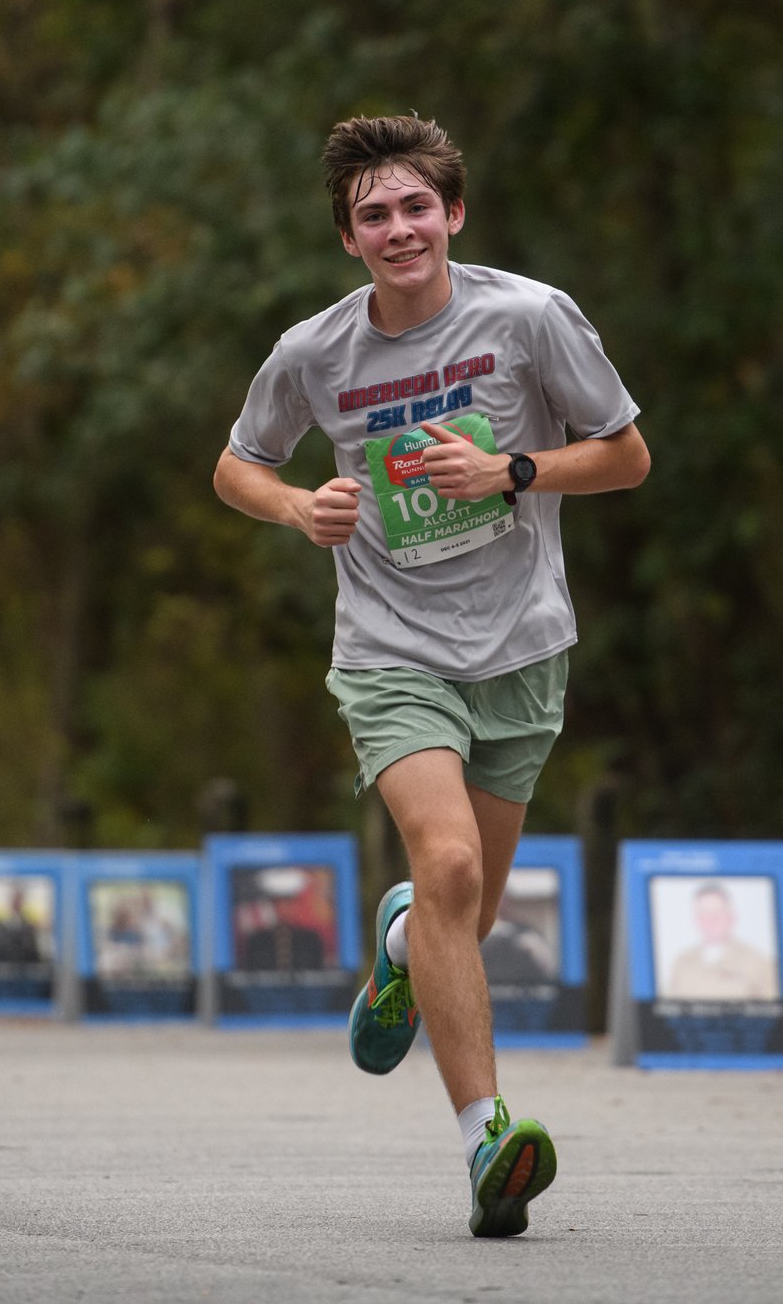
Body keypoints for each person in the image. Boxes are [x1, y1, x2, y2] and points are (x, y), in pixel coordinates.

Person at [215, 114, 649, 1237]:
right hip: (390, 648)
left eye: (416, 206)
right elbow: (237, 464)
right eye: (373, 215)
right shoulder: (314, 352)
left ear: (453, 213)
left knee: (468, 906)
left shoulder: (529, 317)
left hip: (521, 645)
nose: (398, 228)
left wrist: (511, 468)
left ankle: (405, 943)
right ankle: (487, 1141)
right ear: (348, 239)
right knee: (447, 860)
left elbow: (627, 453)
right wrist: (300, 505)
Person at [663, 881, 781, 1001]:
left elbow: (776, 1010)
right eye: (704, 913)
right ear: (696, 918)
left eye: (718, 912)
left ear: (731, 916)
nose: (711, 919)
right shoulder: (682, 962)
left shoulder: (757, 961)